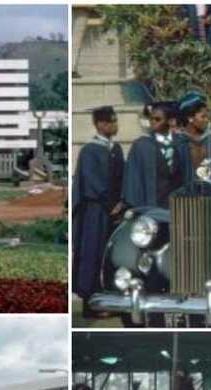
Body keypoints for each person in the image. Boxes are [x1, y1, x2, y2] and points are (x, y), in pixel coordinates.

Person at [72, 105, 125, 303]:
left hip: (116, 209)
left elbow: (122, 177)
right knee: (92, 252)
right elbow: (92, 182)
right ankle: (90, 300)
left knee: (112, 253)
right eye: (111, 121)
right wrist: (110, 204)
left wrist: (121, 202)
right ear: (100, 124)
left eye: (115, 120)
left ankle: (109, 295)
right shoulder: (89, 151)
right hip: (95, 210)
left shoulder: (116, 148)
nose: (115, 125)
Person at [122, 101, 183, 209]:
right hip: (153, 206)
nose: (153, 122)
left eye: (158, 119)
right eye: (151, 118)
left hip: (180, 207)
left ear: (170, 121)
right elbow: (133, 180)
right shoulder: (141, 146)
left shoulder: (182, 143)